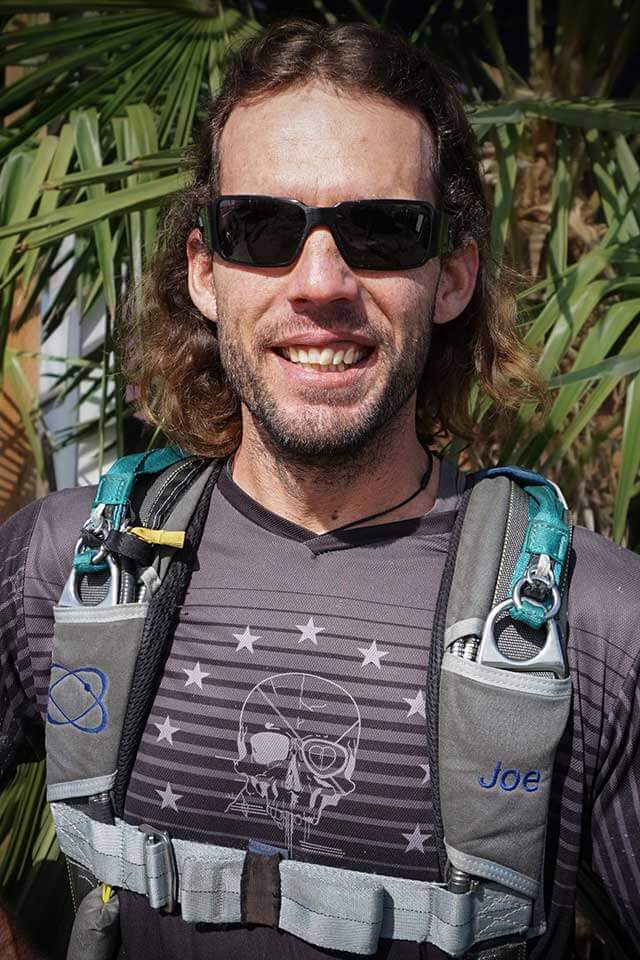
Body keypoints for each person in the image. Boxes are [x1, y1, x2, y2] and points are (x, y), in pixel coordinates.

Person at [1, 19, 639, 960]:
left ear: (454, 274)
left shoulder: (595, 628)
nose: (321, 282)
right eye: (262, 228)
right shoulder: (67, 563)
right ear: (205, 273)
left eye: (381, 232)